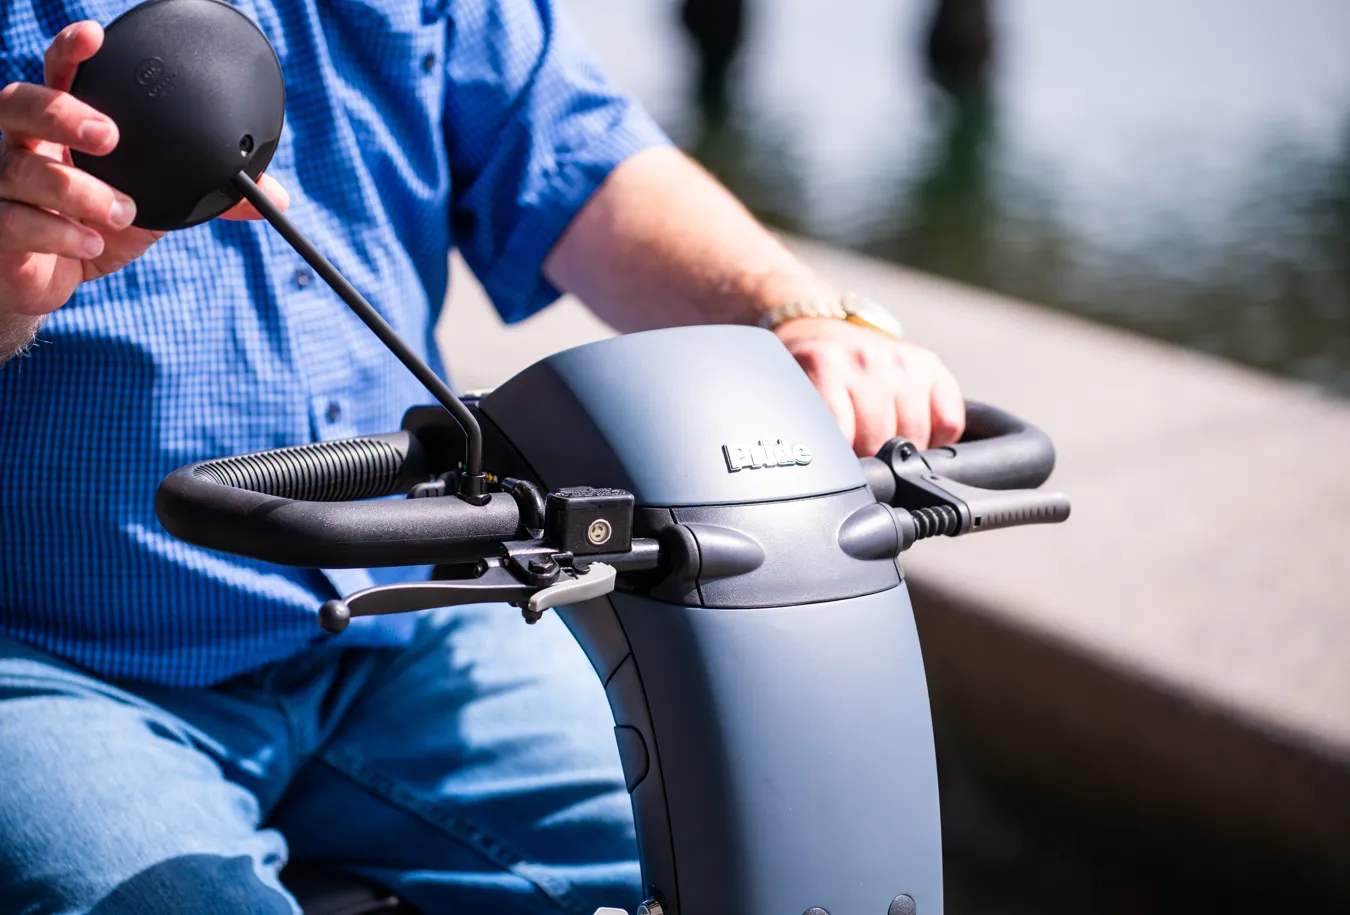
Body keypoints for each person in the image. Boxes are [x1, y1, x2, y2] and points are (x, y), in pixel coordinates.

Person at [0, 2, 964, 912]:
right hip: (54, 658)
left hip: (409, 623)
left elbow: (574, 150)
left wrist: (792, 313)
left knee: (772, 857)